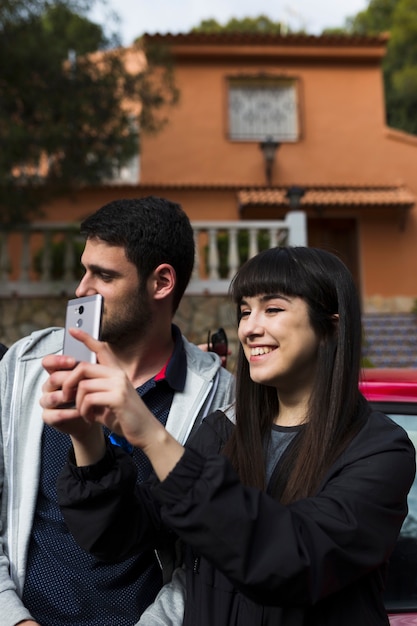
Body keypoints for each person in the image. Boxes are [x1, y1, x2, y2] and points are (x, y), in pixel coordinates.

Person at [41, 246, 416, 626]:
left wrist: (153, 437)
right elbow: (119, 535)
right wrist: (86, 438)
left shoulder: (380, 451)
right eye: (245, 311)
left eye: (273, 309)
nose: (250, 328)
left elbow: (293, 560)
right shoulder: (223, 432)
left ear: (331, 326)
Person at [0, 196, 234, 626]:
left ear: (162, 282)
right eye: (85, 269)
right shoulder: (27, 365)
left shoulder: (219, 399)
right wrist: (14, 619)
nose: (81, 290)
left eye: (104, 275)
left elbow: (204, 555)